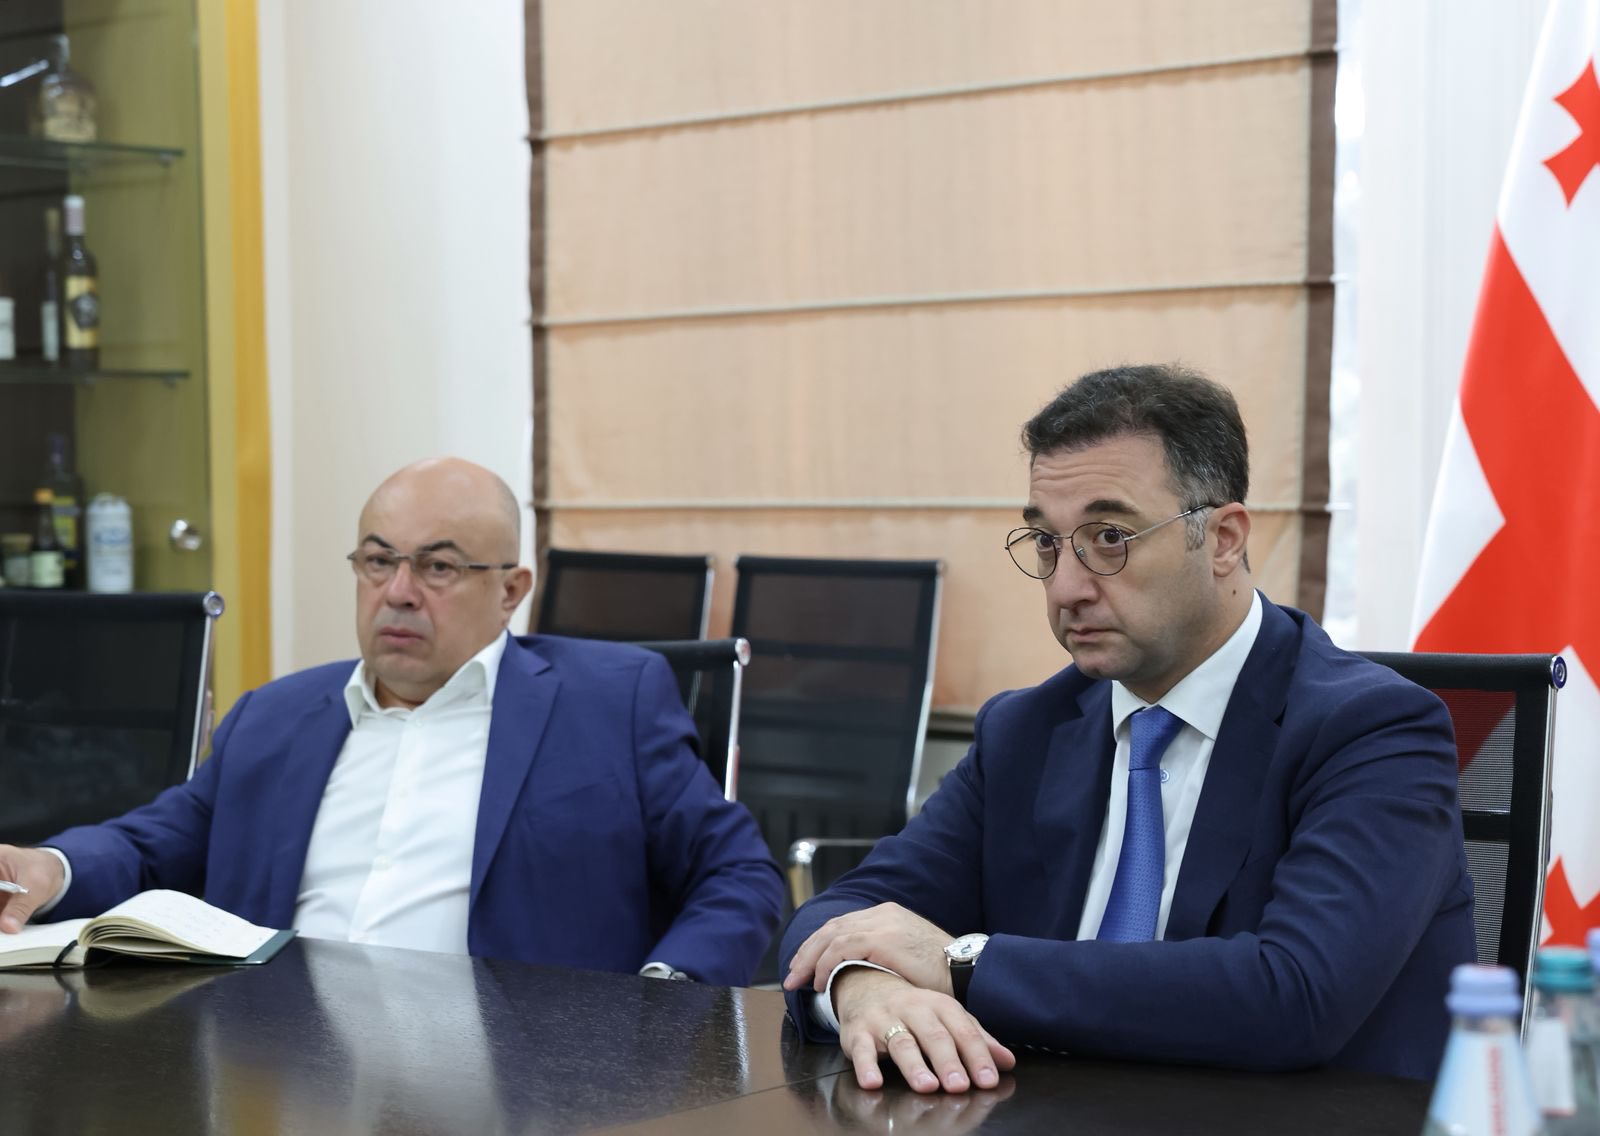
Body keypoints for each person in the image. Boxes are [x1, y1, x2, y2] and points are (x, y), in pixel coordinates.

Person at [780, 364, 1475, 1091]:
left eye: (1109, 537)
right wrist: (864, 985)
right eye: (1046, 542)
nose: (1065, 587)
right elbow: (844, 916)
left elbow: (1293, 993)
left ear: (1224, 539)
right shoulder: (1027, 730)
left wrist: (961, 963)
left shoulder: (1374, 730)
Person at [0, 457, 783, 986]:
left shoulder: (610, 703)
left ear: (511, 591)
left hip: (522, 1083)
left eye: (438, 567)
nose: (399, 592)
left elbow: (737, 875)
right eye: (378, 561)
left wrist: (661, 996)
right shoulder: (278, 716)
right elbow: (152, 847)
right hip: (278, 1073)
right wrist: (47, 868)